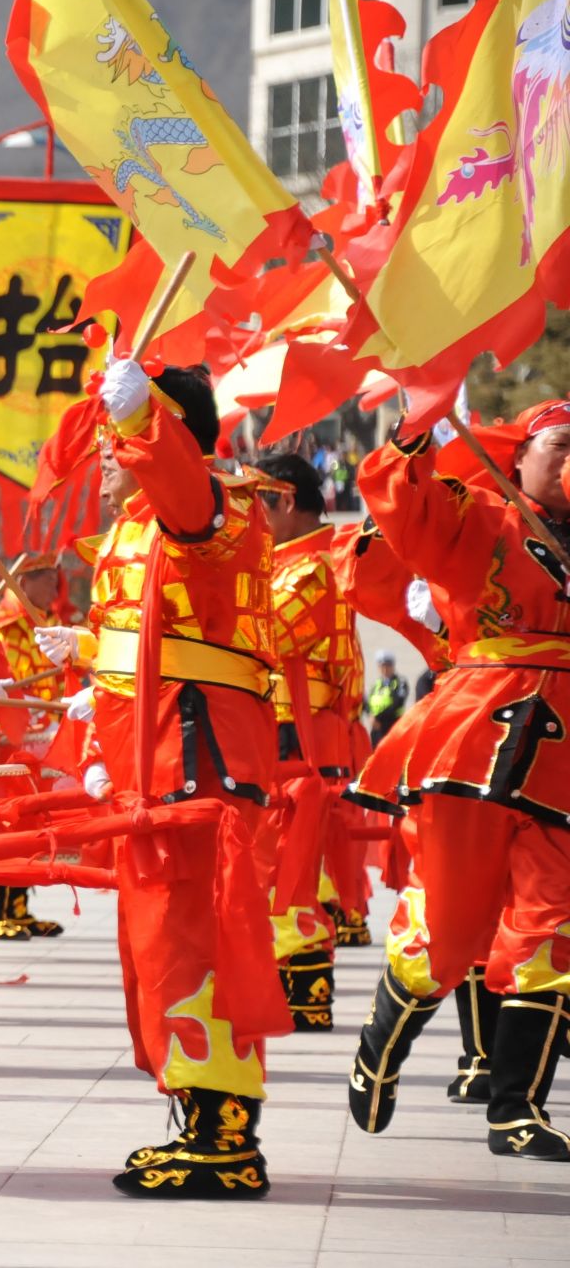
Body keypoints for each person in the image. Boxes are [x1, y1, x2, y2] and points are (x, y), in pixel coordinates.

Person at [35, 359, 288, 1198]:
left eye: (122, 436)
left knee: (191, 942)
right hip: (155, 764)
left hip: (198, 762)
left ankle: (224, 1141)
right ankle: (197, 1118)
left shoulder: (212, 504)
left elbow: (190, 504)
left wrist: (147, 423)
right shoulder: (137, 525)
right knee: (159, 948)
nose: (107, 454)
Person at [342, 400, 570, 1162]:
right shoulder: (484, 519)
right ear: (520, 457)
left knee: (551, 927)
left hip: (564, 755)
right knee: (447, 929)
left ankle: (516, 1108)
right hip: (480, 733)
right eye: (562, 447)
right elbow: (405, 508)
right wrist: (416, 427)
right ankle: (382, 1044)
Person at [253, 453, 359, 1033]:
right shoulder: (288, 563)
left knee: (291, 864)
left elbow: (260, 632)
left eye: (257, 503)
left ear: (286, 501)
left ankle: (304, 995)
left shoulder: (312, 569)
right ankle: (296, 996)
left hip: (297, 733)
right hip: (284, 729)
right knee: (284, 863)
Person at [0, 551, 70, 941]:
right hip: (4, 737)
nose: (55, 586)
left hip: (37, 739)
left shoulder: (44, 624)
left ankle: (17, 905)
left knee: (30, 819)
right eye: (47, 578)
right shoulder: (0, 624)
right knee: (2, 821)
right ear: (25, 581)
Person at [364, 652, 408, 742]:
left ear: (392, 667)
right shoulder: (376, 684)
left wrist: (379, 718)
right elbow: (368, 703)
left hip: (393, 725)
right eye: (382, 667)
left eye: (387, 666)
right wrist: (370, 716)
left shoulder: (400, 683)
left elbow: (397, 702)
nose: (385, 669)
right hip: (377, 728)